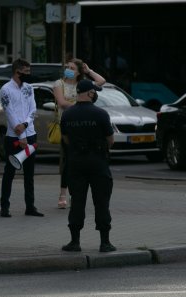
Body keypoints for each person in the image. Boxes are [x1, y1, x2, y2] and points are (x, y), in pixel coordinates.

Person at [60, 80, 116, 253]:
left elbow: (66, 139)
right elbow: (110, 140)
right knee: (101, 202)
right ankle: (105, 242)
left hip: (76, 163)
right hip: (98, 162)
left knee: (77, 202)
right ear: (90, 93)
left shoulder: (67, 114)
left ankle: (74, 242)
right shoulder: (100, 114)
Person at [52, 58, 106, 209]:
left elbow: (101, 81)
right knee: (68, 161)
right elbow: (62, 103)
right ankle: (63, 193)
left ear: (79, 72)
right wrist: (81, 107)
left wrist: (89, 71)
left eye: (73, 68)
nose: (69, 70)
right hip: (67, 125)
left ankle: (75, 192)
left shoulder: (82, 85)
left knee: (81, 159)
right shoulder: (59, 84)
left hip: (83, 126)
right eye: (67, 67)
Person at [0, 58, 44, 218]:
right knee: (10, 172)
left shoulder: (29, 88)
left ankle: (30, 206)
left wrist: (25, 125)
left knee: (29, 173)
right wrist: (20, 133)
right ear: (17, 72)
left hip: (30, 133)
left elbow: (33, 108)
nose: (28, 75)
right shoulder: (5, 89)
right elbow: (9, 112)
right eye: (25, 72)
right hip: (14, 137)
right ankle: (4, 206)